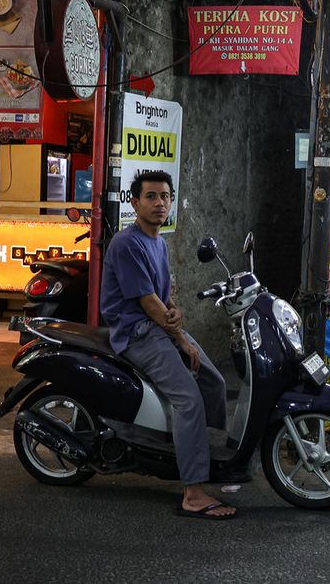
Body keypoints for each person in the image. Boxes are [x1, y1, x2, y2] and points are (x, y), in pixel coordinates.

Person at [100, 171, 236, 521]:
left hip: (159, 326)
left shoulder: (158, 242)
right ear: (135, 202)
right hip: (136, 332)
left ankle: (212, 459)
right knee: (188, 400)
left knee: (214, 382)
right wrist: (180, 337)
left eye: (165, 196)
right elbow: (146, 302)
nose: (159, 202)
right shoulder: (127, 243)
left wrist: (177, 314)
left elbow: (163, 296)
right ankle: (192, 493)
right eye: (151, 196)